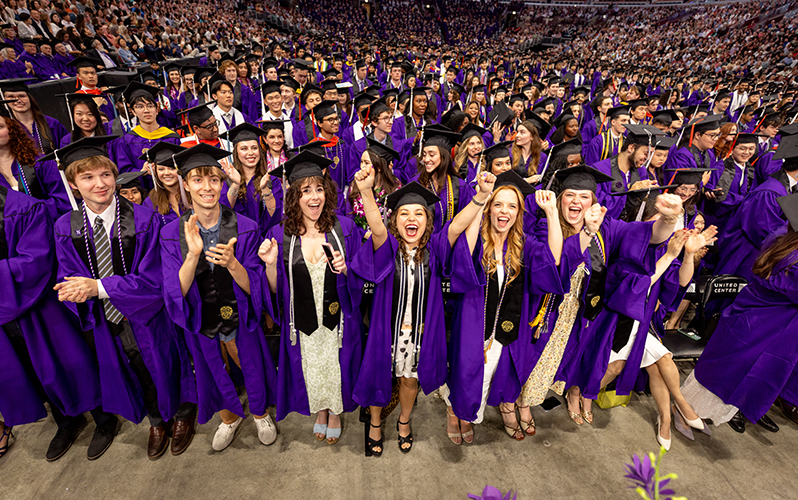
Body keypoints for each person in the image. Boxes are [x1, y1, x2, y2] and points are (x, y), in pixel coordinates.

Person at [51, 136, 197, 460]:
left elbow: (155, 277)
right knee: (135, 370)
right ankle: (157, 420)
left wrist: (97, 288)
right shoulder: (66, 227)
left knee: (169, 361)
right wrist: (73, 291)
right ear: (74, 184)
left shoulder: (144, 220)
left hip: (149, 315)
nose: (100, 184)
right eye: (88, 177)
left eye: (105, 174)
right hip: (108, 320)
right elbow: (70, 274)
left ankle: (184, 413)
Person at [160, 143, 278, 451]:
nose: (207, 187)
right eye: (197, 180)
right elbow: (175, 290)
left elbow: (256, 287)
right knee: (214, 366)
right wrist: (193, 256)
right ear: (185, 183)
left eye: (214, 178)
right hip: (201, 317)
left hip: (240, 313)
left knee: (248, 361)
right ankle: (229, 418)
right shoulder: (172, 233)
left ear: (222, 182)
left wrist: (233, 263)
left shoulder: (247, 228)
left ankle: (260, 413)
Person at [442, 170, 565, 441]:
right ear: (489, 209)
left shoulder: (523, 245)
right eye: (498, 204)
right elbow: (455, 238)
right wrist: (481, 199)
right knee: (464, 371)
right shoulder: (479, 239)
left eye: (512, 206)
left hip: (502, 330)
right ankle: (455, 412)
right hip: (471, 323)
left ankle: (468, 413)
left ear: (519, 213)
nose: (504, 211)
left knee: (485, 376)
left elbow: (553, 259)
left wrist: (552, 213)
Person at [259, 151, 364, 444]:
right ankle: (321, 409)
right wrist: (269, 264)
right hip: (303, 325)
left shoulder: (344, 228)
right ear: (294, 196)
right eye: (306, 191)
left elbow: (361, 276)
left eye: (319, 189)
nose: (314, 197)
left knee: (335, 364)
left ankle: (335, 411)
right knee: (312, 367)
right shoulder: (280, 235)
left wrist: (347, 269)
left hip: (338, 322)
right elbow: (277, 289)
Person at [681, 193, 798, 434]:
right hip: (759, 324)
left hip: (756, 321)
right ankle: (682, 412)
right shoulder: (791, 255)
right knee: (721, 375)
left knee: (724, 375)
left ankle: (696, 413)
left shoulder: (781, 235)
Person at [0, 109, 70, 217]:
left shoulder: (40, 162)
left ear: (11, 129)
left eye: (0, 127)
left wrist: (30, 212)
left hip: (45, 226)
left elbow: (63, 201)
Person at [412, 126, 474, 233]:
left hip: (450, 244)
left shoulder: (460, 186)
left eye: (432, 155)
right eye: (425, 154)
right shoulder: (416, 183)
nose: (426, 159)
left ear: (444, 157)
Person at [220, 122, 278, 235]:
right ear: (236, 152)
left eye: (254, 148)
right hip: (236, 238)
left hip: (267, 237)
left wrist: (265, 189)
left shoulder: (271, 179)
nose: (250, 153)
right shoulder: (226, 178)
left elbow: (275, 215)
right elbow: (224, 211)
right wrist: (235, 184)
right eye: (244, 149)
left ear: (260, 151)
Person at [111, 81, 181, 175]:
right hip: (141, 187)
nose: (146, 110)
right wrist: (141, 172)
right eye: (140, 107)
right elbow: (124, 171)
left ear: (157, 110)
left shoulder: (171, 137)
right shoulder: (126, 141)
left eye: (150, 106)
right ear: (133, 111)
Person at [0, 77, 67, 156]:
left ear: (29, 98)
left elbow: (66, 149)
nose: (17, 100)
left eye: (22, 96)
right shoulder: (6, 129)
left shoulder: (52, 124)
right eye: (11, 97)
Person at [347, 139, 402, 232]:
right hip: (361, 240)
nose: (362, 166)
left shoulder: (395, 189)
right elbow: (349, 220)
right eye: (361, 162)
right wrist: (364, 234)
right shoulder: (355, 187)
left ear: (379, 167)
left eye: (366, 163)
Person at [140, 141, 187, 226]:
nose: (166, 173)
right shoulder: (151, 202)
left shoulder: (194, 194)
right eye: (161, 169)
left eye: (172, 168)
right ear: (156, 172)